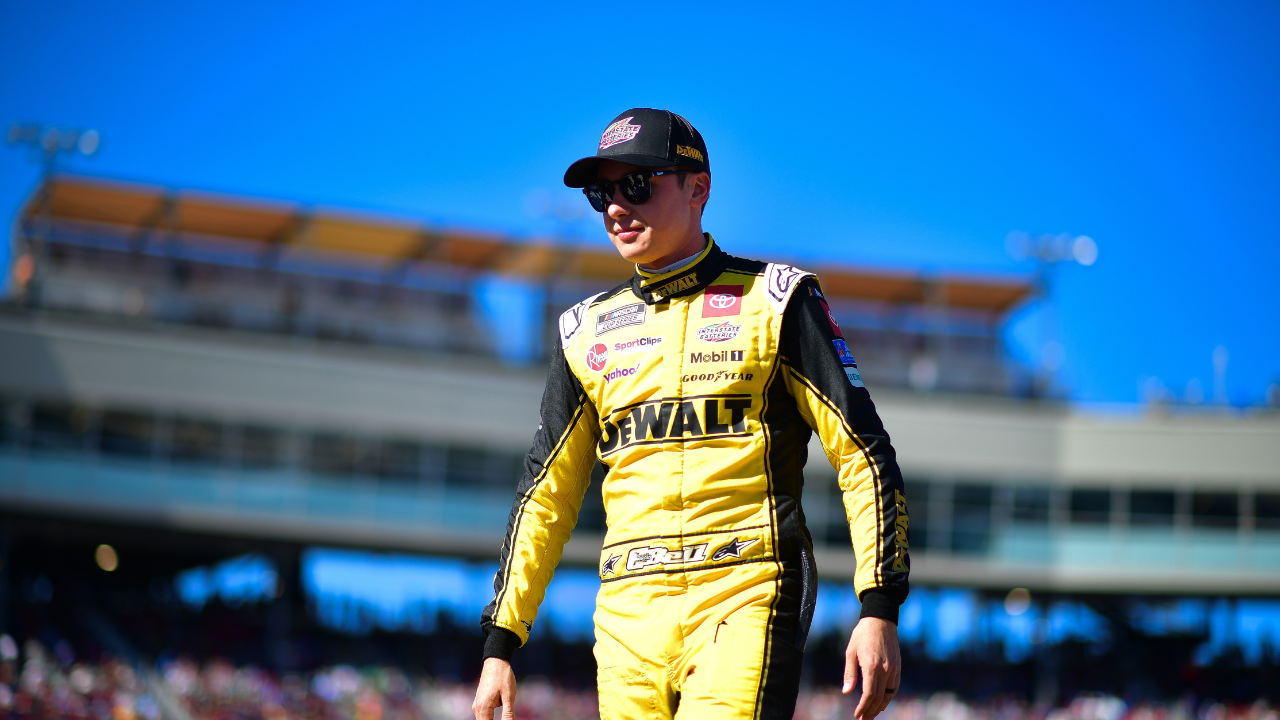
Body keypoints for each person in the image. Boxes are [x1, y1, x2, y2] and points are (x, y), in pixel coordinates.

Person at [473, 108, 909, 720]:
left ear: (697, 188)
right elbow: (546, 494)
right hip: (626, 614)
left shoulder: (778, 299)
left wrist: (878, 606)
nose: (615, 207)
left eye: (636, 185)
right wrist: (501, 643)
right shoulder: (583, 330)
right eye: (601, 193)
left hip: (746, 592)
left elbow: (863, 454)